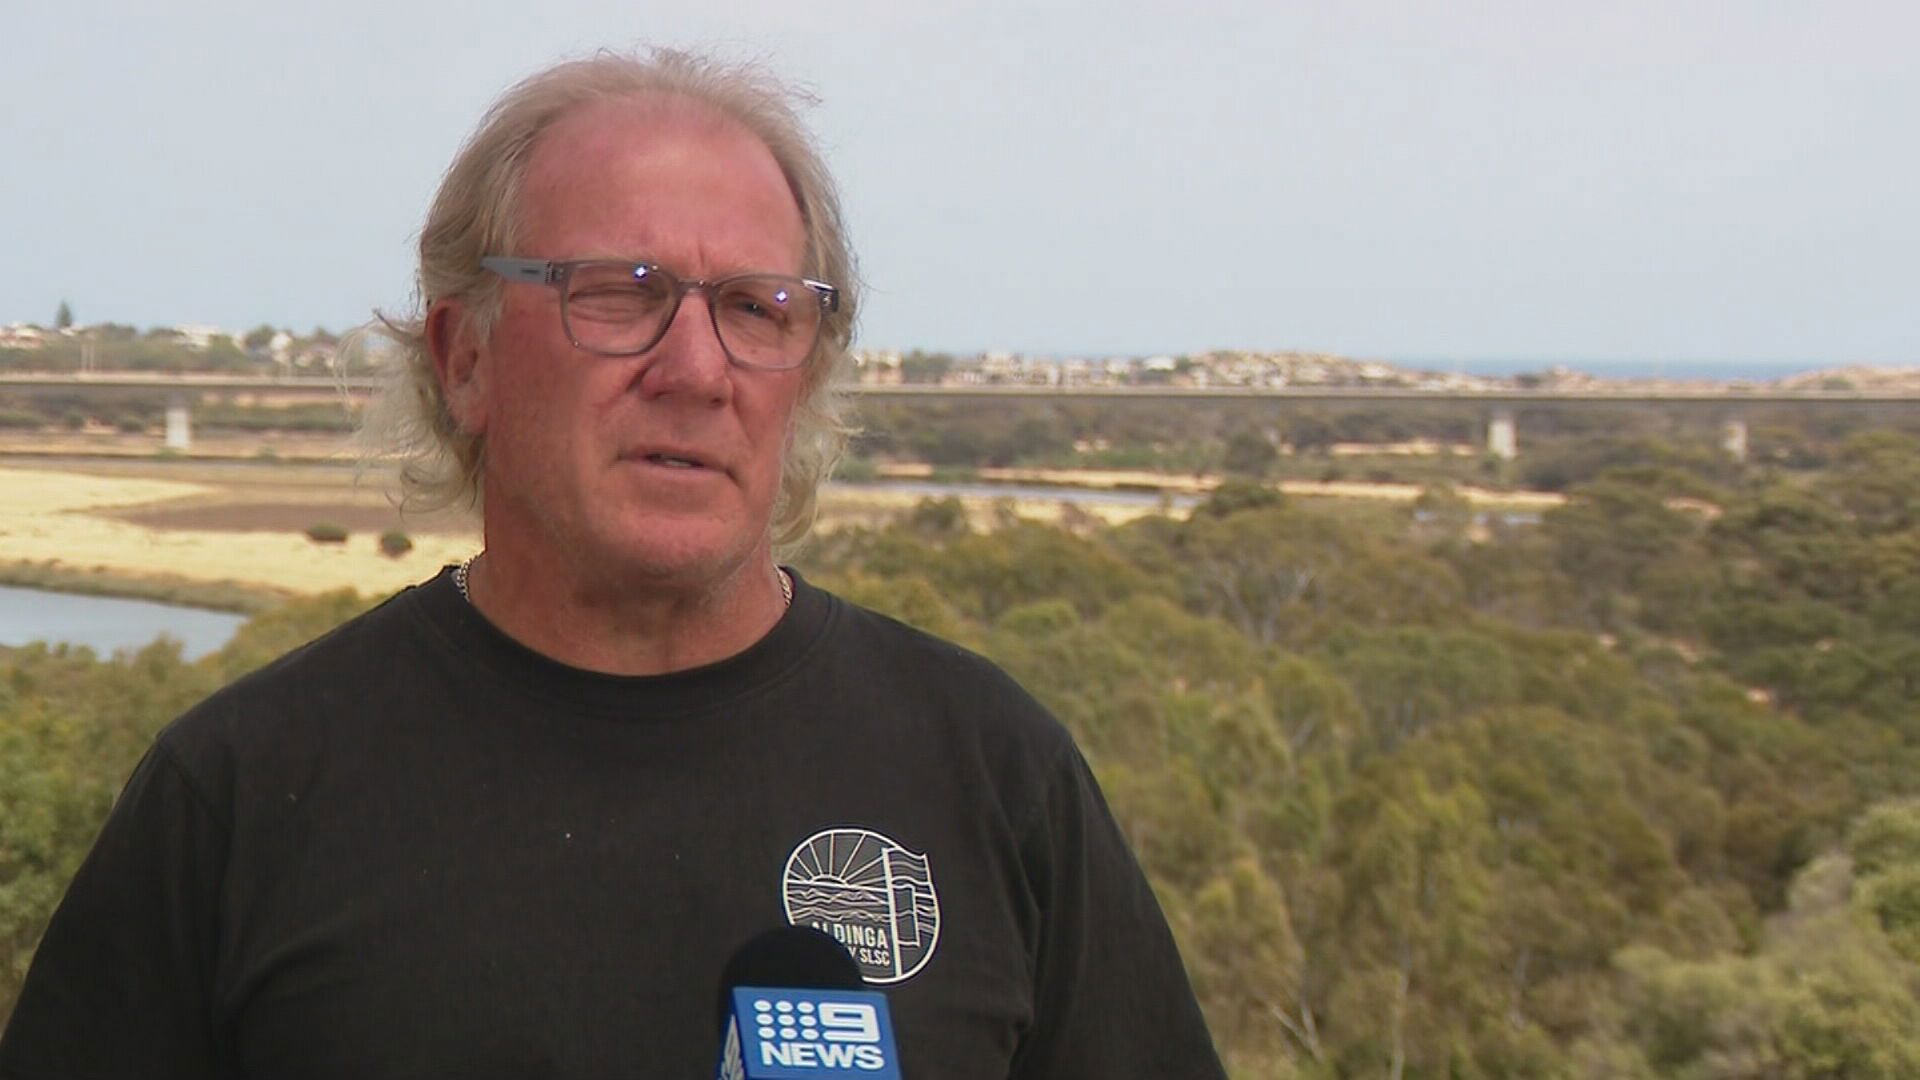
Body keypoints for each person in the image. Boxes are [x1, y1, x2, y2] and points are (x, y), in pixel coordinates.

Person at [0, 48, 1225, 1079]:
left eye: (756, 308)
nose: (696, 369)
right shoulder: (240, 798)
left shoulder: (993, 773)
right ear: (464, 358)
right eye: (621, 294)